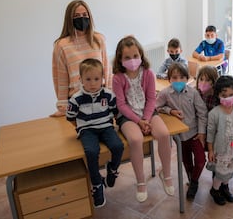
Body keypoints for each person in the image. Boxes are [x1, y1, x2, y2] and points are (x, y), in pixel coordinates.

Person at [112, 35, 174, 203]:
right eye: (127, 57)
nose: (132, 60)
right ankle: (141, 181)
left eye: (135, 56)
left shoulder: (148, 73)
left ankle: (166, 174)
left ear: (141, 55)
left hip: (148, 113)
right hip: (128, 117)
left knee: (163, 134)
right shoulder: (118, 78)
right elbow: (121, 105)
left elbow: (152, 99)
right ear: (120, 59)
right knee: (135, 139)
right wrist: (139, 122)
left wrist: (146, 118)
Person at [66, 58, 124, 208]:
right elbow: (71, 118)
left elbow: (115, 112)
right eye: (88, 79)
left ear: (103, 79)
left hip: (106, 126)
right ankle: (97, 184)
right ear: (81, 80)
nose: (92, 83)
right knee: (91, 152)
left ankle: (112, 169)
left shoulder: (108, 95)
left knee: (118, 146)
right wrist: (82, 127)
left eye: (96, 79)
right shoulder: (75, 99)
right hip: (87, 130)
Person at [156, 63, 208, 201]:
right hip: (179, 136)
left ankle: (194, 182)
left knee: (201, 160)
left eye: (182, 77)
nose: (178, 81)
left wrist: (202, 133)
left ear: (187, 78)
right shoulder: (165, 93)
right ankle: (191, 181)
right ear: (169, 79)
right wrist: (170, 111)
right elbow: (156, 107)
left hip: (195, 133)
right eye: (174, 77)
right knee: (186, 161)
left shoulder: (193, 93)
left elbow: (202, 113)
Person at [52, 0, 111, 117]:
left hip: (101, 99)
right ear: (70, 19)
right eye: (77, 16)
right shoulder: (62, 45)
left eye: (85, 15)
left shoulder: (99, 39)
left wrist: (111, 95)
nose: (82, 18)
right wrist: (63, 107)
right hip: (77, 102)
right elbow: (60, 79)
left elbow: (107, 71)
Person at [206, 75, 233, 205]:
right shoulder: (214, 113)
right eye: (224, 95)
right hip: (221, 149)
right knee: (220, 172)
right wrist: (210, 150)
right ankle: (215, 190)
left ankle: (224, 188)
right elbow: (210, 133)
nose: (228, 98)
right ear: (218, 95)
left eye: (231, 94)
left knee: (230, 169)